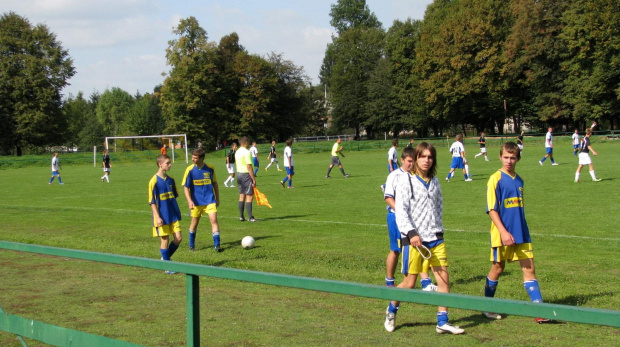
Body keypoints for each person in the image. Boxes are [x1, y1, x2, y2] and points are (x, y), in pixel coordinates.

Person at [384, 142, 464, 335]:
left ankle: (442, 321)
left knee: (444, 278)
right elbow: (401, 211)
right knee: (410, 283)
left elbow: (438, 208)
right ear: (416, 158)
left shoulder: (435, 181)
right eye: (423, 156)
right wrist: (411, 233)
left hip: (435, 238)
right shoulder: (406, 181)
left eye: (430, 157)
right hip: (413, 240)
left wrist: (439, 230)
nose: (426, 160)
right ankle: (392, 309)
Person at [482, 142, 551, 323]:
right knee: (498, 268)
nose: (509, 161)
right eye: (506, 157)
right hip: (501, 233)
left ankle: (539, 310)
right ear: (500, 157)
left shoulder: (519, 180)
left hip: (521, 232)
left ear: (518, 158)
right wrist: (504, 232)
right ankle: (486, 306)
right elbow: (492, 209)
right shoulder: (495, 179)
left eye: (513, 158)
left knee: (530, 269)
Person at [383, 147, 437, 291]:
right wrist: (402, 212)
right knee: (395, 250)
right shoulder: (395, 176)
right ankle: (390, 281)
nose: (411, 164)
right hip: (396, 218)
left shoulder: (417, 177)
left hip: (414, 220)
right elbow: (388, 198)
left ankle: (425, 281)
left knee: (419, 246)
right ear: (402, 160)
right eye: (409, 161)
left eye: (414, 161)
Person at [148, 154, 182, 274]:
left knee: (178, 238)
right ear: (160, 164)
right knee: (165, 240)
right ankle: (167, 266)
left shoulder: (171, 180)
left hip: (172, 214)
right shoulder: (154, 181)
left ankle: (164, 259)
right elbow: (152, 202)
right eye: (167, 163)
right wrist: (157, 217)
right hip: (161, 216)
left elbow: (173, 197)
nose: (170, 165)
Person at [182, 148, 222, 252]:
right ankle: (191, 245)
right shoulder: (189, 170)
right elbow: (186, 187)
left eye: (195, 158)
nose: (193, 159)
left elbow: (215, 184)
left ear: (202, 158)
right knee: (194, 222)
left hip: (210, 200)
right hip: (196, 202)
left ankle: (217, 245)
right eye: (192, 157)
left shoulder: (210, 168)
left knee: (214, 220)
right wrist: (189, 201)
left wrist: (217, 198)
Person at [235, 137, 257, 222]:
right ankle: (250, 217)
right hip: (246, 175)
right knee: (249, 196)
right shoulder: (247, 152)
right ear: (247, 142)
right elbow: (249, 166)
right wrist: (253, 179)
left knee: (241, 195)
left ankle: (241, 216)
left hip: (239, 174)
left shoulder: (237, 151)